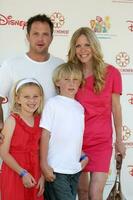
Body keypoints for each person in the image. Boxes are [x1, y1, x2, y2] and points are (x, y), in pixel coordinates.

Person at [67, 27, 126, 200]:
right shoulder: (71, 74)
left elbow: (116, 108)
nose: (83, 50)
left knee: (95, 193)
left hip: (101, 141)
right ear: (73, 48)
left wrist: (120, 140)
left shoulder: (112, 73)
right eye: (78, 46)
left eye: (87, 45)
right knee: (83, 192)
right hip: (76, 142)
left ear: (94, 46)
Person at [0, 13, 64, 143]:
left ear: (52, 38)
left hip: (51, 141)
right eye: (36, 34)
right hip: (18, 141)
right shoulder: (11, 64)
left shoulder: (61, 66)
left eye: (45, 34)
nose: (40, 39)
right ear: (28, 37)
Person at [39, 62, 88, 200]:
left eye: (75, 80)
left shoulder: (79, 108)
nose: (71, 83)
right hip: (56, 170)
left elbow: (73, 137)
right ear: (58, 82)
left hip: (74, 169)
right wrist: (43, 163)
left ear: (80, 83)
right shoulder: (52, 104)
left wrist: (83, 156)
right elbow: (45, 134)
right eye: (66, 79)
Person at [0, 78, 45, 200]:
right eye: (26, 97)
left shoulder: (41, 121)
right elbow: (3, 153)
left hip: (35, 172)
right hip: (15, 172)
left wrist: (43, 176)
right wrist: (22, 173)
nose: (32, 100)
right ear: (18, 99)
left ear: (41, 98)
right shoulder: (12, 120)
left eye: (35, 96)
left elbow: (43, 151)